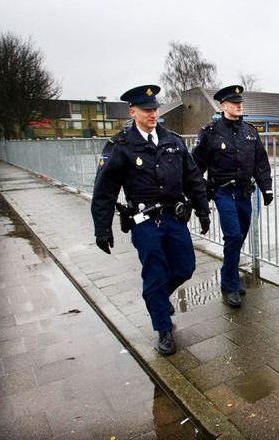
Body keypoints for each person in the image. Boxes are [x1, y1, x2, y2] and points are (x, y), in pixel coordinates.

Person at [91, 84, 210, 356]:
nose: (153, 114)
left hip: (175, 218)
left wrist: (203, 210)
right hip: (145, 223)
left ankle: (155, 298)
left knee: (185, 267)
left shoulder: (173, 140)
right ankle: (163, 329)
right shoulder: (120, 146)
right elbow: (105, 190)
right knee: (155, 274)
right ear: (133, 111)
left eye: (155, 109)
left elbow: (192, 178)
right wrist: (102, 228)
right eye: (147, 110)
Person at [192, 85, 273, 308]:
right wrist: (196, 194)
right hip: (223, 191)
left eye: (240, 102)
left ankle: (229, 274)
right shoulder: (210, 132)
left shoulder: (250, 131)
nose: (239, 105)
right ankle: (229, 284)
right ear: (223, 106)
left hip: (245, 193)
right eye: (234, 102)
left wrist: (267, 188)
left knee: (239, 237)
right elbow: (195, 166)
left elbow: (260, 162)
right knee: (234, 236)